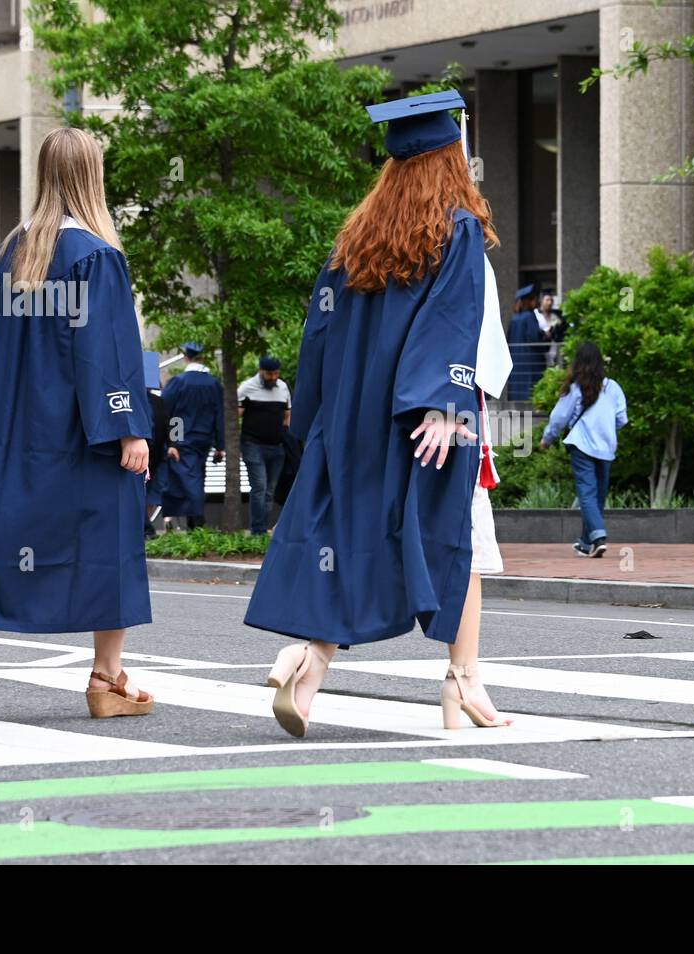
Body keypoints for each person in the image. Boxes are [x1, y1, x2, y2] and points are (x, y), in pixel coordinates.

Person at [244, 89, 514, 738]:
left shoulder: (356, 237)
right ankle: (462, 680)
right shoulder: (457, 228)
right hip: (416, 422)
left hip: (350, 419)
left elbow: (319, 333)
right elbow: (450, 322)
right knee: (453, 542)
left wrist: (311, 418)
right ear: (453, 160)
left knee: (351, 539)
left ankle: (308, 667)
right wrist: (445, 402)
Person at [0, 127, 155, 723]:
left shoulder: (8, 256)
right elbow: (105, 350)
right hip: (83, 434)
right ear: (92, 176)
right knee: (110, 539)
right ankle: (104, 677)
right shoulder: (95, 256)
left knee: (11, 544)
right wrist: (130, 425)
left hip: (16, 431)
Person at [540, 341, 628, 558]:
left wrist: (547, 439)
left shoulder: (576, 387)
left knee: (587, 492)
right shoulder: (613, 387)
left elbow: (559, 417)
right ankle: (587, 542)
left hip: (582, 444)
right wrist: (607, 429)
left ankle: (597, 538)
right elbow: (621, 419)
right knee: (597, 494)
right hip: (606, 446)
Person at [160, 343, 224, 529]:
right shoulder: (213, 384)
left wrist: (174, 440)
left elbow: (169, 412)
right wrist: (220, 445)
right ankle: (192, 522)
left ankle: (197, 520)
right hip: (204, 438)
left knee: (188, 480)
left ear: (186, 358)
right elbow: (220, 415)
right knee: (196, 478)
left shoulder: (178, 382)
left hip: (183, 437)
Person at [237, 355, 291, 535]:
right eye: (270, 374)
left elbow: (287, 415)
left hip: (276, 446)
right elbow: (236, 414)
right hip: (253, 444)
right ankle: (257, 530)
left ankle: (263, 527)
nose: (274, 377)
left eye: (276, 373)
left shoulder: (283, 387)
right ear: (261, 371)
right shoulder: (246, 388)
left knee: (269, 491)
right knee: (259, 487)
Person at [143, 352, 170, 538]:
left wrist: (175, 444)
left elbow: (171, 423)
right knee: (142, 491)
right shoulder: (137, 402)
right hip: (141, 454)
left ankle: (145, 526)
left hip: (158, 453)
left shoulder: (159, 402)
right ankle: (145, 528)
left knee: (152, 492)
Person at [505, 284, 542, 400]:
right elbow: (534, 338)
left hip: (515, 359)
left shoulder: (514, 318)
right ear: (529, 301)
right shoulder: (530, 317)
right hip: (530, 359)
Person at [537, 292, 566, 368]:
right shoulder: (536, 315)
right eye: (547, 300)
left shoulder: (555, 316)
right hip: (541, 347)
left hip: (553, 348)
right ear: (541, 301)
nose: (549, 303)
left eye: (551, 300)